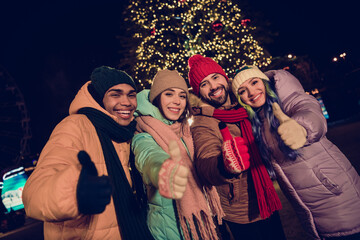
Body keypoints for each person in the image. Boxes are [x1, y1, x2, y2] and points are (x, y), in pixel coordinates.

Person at [22, 66, 154, 240]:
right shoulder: (75, 126)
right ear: (100, 99)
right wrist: (74, 192)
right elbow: (34, 192)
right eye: (115, 94)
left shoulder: (128, 132)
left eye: (131, 94)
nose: (127, 102)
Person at [232, 65, 360, 240]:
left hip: (337, 196)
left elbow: (308, 108)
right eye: (242, 91)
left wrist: (302, 128)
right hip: (308, 207)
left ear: (264, 82)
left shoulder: (285, 100)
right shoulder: (256, 121)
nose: (251, 92)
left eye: (254, 82)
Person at [187, 54, 286, 240]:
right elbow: (205, 162)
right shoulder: (202, 122)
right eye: (204, 84)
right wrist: (224, 166)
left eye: (215, 77)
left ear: (225, 78)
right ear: (198, 91)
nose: (213, 86)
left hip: (266, 196)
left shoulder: (245, 102)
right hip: (241, 211)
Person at [132, 69, 225, 240]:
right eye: (169, 94)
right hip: (170, 230)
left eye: (182, 96)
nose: (177, 101)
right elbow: (147, 156)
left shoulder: (185, 131)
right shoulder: (144, 134)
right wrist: (164, 168)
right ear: (157, 98)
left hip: (200, 225)